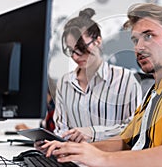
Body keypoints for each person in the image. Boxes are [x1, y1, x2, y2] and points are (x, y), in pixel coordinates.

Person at [40, 3, 162, 166]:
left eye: (148, 36)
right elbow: (127, 141)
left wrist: (102, 158)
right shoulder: (154, 93)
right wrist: (79, 150)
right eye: (135, 40)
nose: (139, 47)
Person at [53, 8, 142, 143]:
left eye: (82, 48)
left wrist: (94, 133)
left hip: (110, 159)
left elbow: (135, 127)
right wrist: (51, 142)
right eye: (71, 51)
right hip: (72, 159)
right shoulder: (64, 83)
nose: (76, 56)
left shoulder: (125, 79)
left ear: (98, 41)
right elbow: (61, 129)